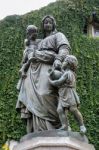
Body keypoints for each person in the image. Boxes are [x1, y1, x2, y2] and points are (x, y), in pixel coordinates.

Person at [16, 15, 71, 133]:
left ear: (54, 24)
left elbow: (64, 49)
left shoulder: (58, 35)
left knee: (45, 93)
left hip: (48, 68)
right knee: (32, 99)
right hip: (33, 71)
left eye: (50, 22)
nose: (47, 24)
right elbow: (28, 53)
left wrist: (59, 59)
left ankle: (56, 126)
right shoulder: (38, 42)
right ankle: (38, 130)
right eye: (45, 22)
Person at [49, 55, 86, 134]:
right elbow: (62, 72)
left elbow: (58, 82)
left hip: (69, 93)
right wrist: (59, 69)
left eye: (65, 61)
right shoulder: (67, 72)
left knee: (73, 109)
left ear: (69, 63)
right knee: (60, 110)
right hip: (63, 94)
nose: (63, 63)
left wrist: (50, 80)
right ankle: (64, 126)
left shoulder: (68, 73)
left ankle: (82, 126)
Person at [17, 25, 41, 91]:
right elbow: (27, 48)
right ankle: (22, 70)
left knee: (31, 57)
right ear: (29, 33)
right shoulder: (27, 41)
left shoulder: (39, 41)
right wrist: (30, 38)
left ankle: (23, 69)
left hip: (35, 54)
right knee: (28, 60)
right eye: (33, 32)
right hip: (29, 53)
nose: (35, 34)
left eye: (36, 32)